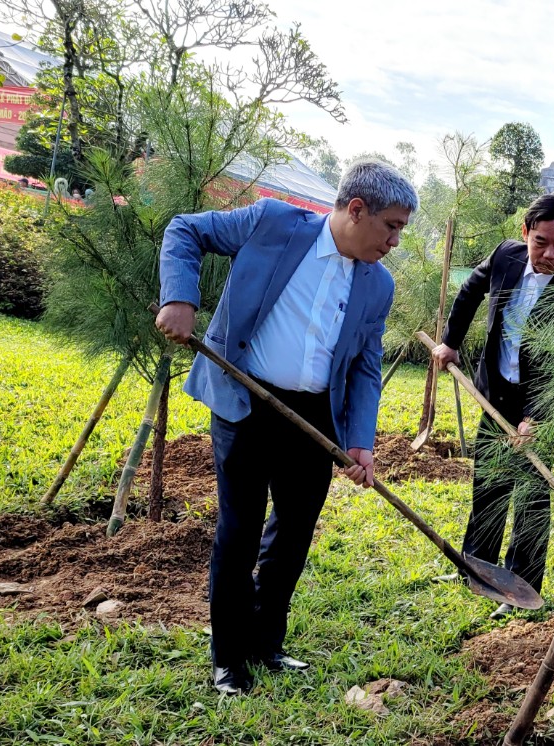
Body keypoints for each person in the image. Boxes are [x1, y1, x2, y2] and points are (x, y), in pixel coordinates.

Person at [155, 159, 416, 695]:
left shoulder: (378, 285)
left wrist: (361, 441)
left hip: (315, 417)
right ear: (356, 209)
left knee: (293, 533)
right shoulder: (271, 222)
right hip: (244, 400)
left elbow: (366, 366)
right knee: (240, 530)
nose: (394, 241)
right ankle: (228, 659)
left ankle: (266, 644)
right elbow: (186, 229)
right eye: (391, 226)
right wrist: (179, 297)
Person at [430, 194, 554, 619]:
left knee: (532, 497)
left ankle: (523, 586)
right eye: (542, 242)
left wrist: (540, 418)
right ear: (525, 234)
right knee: (489, 485)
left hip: (542, 405)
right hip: (496, 392)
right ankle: (476, 569)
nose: (552, 253)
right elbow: (470, 290)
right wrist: (451, 341)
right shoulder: (505, 256)